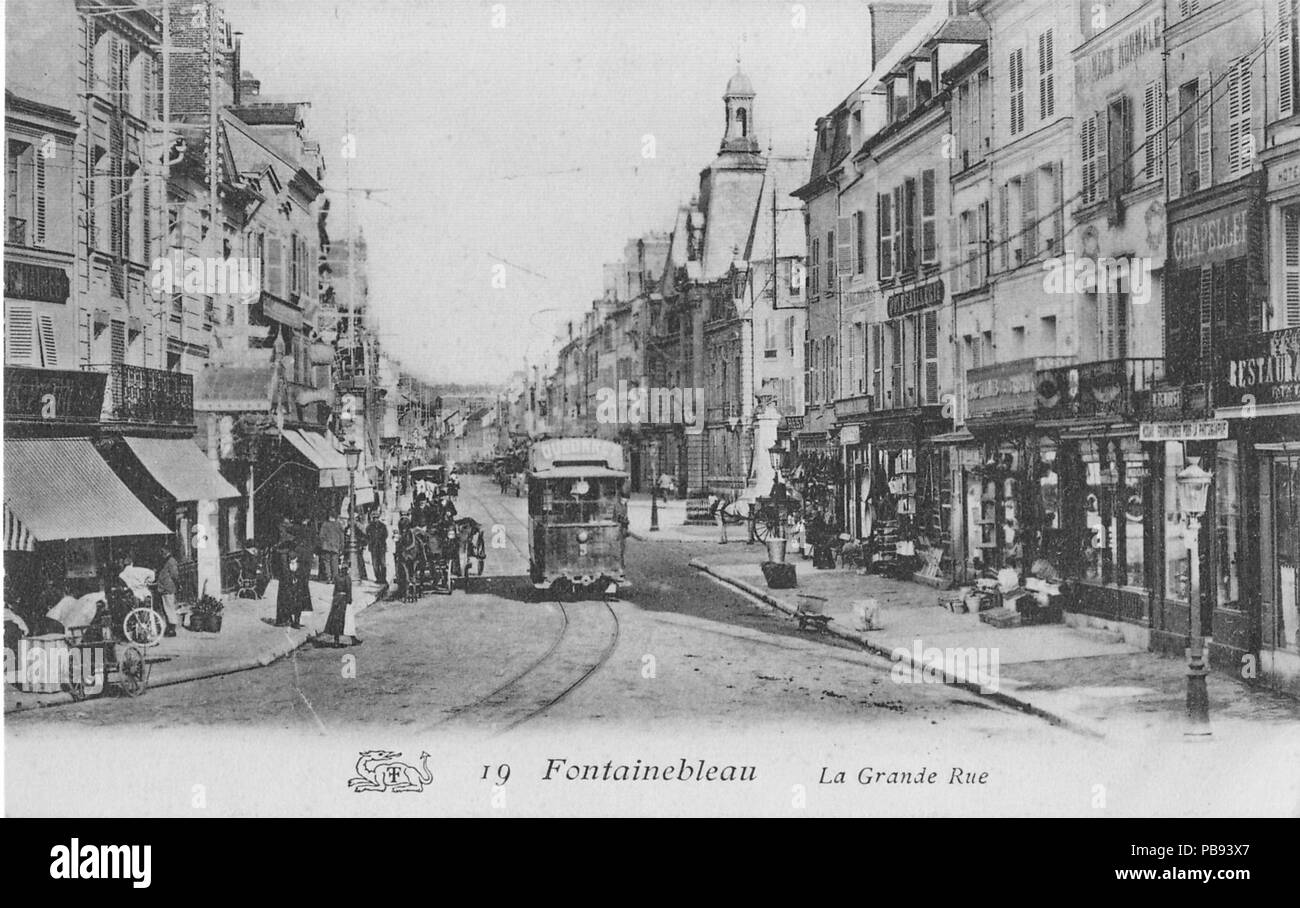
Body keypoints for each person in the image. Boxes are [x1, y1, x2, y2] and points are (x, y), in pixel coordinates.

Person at [318, 561, 362, 647]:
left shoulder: (337, 577)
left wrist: (335, 599)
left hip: (336, 600)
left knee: (335, 621)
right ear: (348, 569)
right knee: (348, 620)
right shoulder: (347, 578)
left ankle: (336, 641)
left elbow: (335, 590)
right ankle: (353, 639)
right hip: (344, 600)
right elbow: (348, 590)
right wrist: (349, 600)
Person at [275, 554, 312, 628]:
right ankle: (289, 619)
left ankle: (294, 620)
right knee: (291, 597)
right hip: (291, 566)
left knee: (297, 598)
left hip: (297, 569)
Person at [156, 545, 180, 636]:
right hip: (164, 588)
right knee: (166, 608)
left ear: (167, 551)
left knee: (169, 608)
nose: (161, 553)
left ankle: (172, 629)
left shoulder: (171, 561)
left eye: (162, 551)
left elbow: (175, 575)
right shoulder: (166, 561)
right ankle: (169, 627)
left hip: (168, 588)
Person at [318, 516, 344, 583]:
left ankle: (328, 577)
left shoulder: (325, 524)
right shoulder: (338, 524)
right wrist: (341, 546)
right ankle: (335, 578)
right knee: (335, 563)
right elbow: (342, 536)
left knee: (327, 562)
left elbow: (321, 535)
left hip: (326, 547)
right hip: (335, 547)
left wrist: (322, 544)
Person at [366, 513, 389, 585]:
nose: (375, 519)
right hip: (373, 547)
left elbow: (386, 535)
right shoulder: (369, 526)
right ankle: (378, 578)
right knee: (375, 564)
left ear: (378, 518)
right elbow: (367, 535)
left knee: (382, 563)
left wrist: (381, 540)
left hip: (381, 547)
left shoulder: (383, 526)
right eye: (374, 518)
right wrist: (370, 541)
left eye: (376, 518)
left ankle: (383, 578)